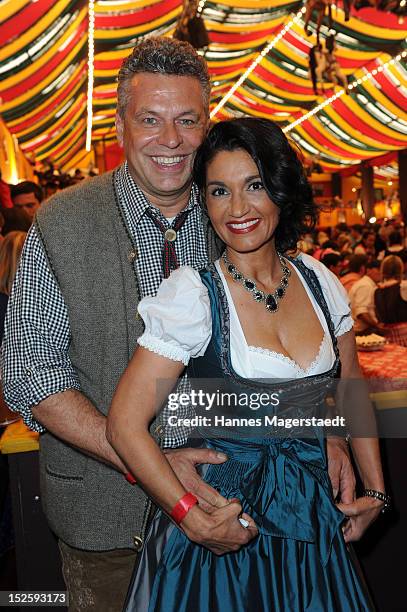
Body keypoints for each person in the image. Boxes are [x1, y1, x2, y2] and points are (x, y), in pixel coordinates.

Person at [1, 38, 354, 610]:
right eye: (150, 120)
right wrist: (150, 460)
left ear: (207, 125)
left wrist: (328, 427)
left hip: (241, 512)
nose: (171, 141)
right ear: (119, 127)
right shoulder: (63, 222)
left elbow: (303, 345)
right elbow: (28, 375)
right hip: (106, 518)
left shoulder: (237, 215)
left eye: (188, 121)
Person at [107, 118, 386, 611]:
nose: (237, 209)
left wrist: (376, 493)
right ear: (203, 202)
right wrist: (189, 515)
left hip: (311, 518)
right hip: (224, 528)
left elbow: (350, 387)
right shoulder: (192, 295)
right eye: (219, 191)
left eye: (254, 185)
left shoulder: (320, 281)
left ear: (281, 188)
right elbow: (125, 424)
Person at [349, 260, 381, 334]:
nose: (380, 273)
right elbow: (361, 312)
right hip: (362, 331)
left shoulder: (366, 283)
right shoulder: (366, 285)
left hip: (362, 329)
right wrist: (377, 326)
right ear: (368, 270)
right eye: (378, 269)